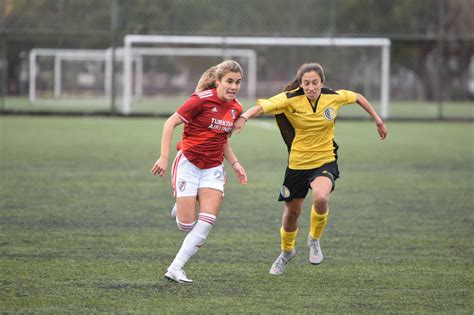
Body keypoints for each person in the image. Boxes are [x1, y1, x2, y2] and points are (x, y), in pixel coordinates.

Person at [232, 62, 387, 275]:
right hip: (297, 164)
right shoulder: (290, 99)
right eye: (307, 83)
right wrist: (243, 117)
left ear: (322, 83)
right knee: (291, 214)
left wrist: (378, 120)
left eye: (315, 83)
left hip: (324, 160)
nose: (311, 87)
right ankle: (287, 252)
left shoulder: (333, 97)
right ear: (301, 84)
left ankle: (314, 240)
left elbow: (358, 97)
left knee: (321, 197)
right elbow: (262, 107)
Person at [151, 60, 248, 284]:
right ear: (218, 81)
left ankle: (175, 268)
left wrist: (235, 164)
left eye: (238, 82)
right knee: (186, 225)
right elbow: (169, 123)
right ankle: (181, 206)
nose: (233, 86)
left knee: (206, 222)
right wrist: (164, 158)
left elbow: (222, 140)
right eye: (229, 81)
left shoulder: (236, 108)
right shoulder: (199, 101)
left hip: (213, 168)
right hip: (189, 164)